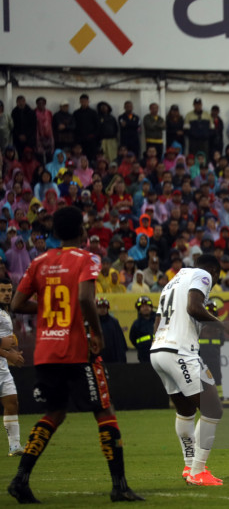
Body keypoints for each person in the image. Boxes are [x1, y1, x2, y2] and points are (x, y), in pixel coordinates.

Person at [8, 205, 143, 503]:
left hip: (46, 351)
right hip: (77, 351)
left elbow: (16, 304)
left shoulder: (39, 262)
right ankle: (119, 486)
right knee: (104, 411)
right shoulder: (86, 259)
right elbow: (84, 297)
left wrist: (47, 307)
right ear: (82, 231)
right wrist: (97, 333)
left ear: (55, 233)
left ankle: (20, 479)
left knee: (54, 413)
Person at [150, 254, 226, 486]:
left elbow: (157, 322)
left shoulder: (171, 282)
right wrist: (221, 325)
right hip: (180, 351)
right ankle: (198, 471)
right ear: (213, 271)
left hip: (158, 350)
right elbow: (193, 307)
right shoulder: (203, 275)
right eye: (216, 278)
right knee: (212, 409)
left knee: (185, 410)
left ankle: (189, 464)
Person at [0, 278, 24, 457]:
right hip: (4, 360)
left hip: (2, 368)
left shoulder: (5, 312)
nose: (7, 294)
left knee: (12, 402)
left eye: (9, 290)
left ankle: (14, 446)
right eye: (2, 291)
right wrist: (9, 355)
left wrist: (13, 352)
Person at [198, 302, 225, 399]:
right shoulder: (199, 323)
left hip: (214, 355)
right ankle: (203, 397)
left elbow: (222, 340)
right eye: (208, 310)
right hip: (202, 355)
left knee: (217, 376)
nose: (210, 313)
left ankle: (219, 396)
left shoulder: (218, 324)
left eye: (212, 310)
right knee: (202, 376)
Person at [96, 297, 127, 364]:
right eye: (100, 307)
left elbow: (120, 341)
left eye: (104, 307)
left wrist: (122, 359)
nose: (102, 309)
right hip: (98, 357)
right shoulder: (93, 322)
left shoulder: (114, 322)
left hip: (113, 358)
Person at [129, 295, 156, 364]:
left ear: (151, 307)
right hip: (144, 356)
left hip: (158, 353)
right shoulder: (136, 324)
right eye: (142, 307)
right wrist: (141, 346)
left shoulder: (158, 320)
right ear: (139, 309)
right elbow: (132, 338)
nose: (145, 308)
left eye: (147, 306)